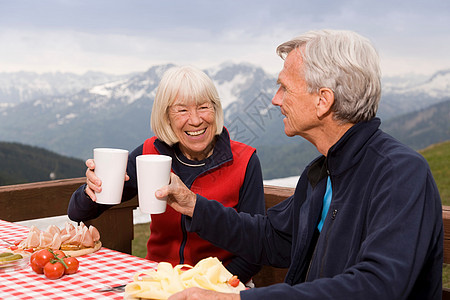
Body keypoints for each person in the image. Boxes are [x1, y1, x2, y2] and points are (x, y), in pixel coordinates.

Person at [157, 30, 443, 299]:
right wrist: (193, 204)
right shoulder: (322, 173)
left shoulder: (399, 173)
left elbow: (377, 286)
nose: (275, 99)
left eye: (285, 88)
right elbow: (272, 239)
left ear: (323, 101)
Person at [67, 65, 265, 284]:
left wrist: (212, 287)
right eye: (182, 110)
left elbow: (255, 247)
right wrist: (91, 189)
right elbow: (77, 211)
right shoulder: (150, 154)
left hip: (222, 284)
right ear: (166, 116)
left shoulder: (245, 160)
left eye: (203, 107)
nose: (196, 120)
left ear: (215, 110)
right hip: (159, 280)